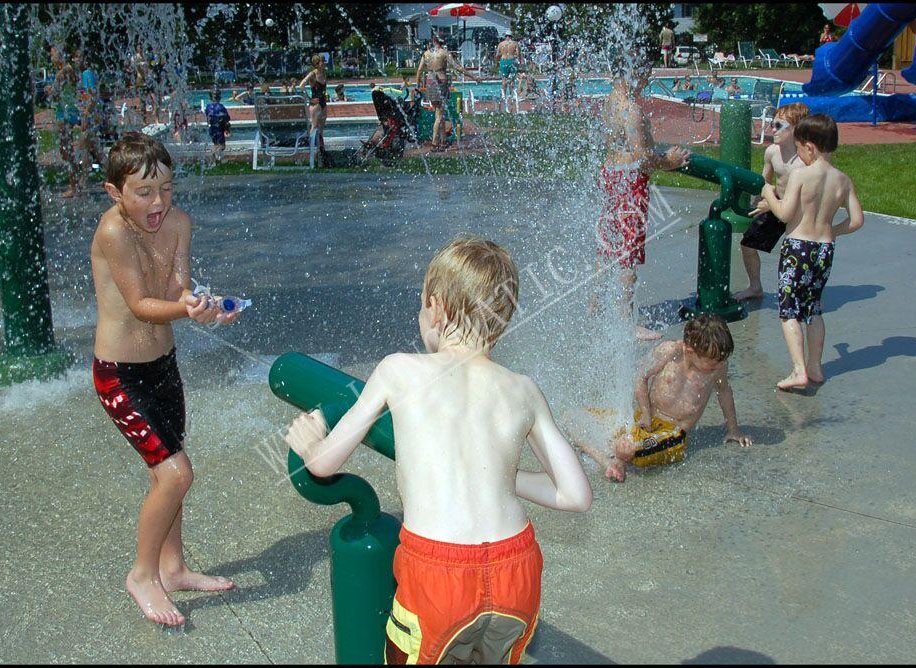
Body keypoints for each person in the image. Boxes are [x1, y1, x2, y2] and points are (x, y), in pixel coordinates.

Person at [285, 237, 592, 665]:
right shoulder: (523, 389)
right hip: (515, 569)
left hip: (438, 571)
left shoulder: (398, 370)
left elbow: (325, 464)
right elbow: (576, 496)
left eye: (421, 304)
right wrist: (499, 476)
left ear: (437, 305)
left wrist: (310, 438)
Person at [91, 132, 241, 626]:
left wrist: (207, 308)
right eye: (144, 193)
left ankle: (173, 568)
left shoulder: (178, 223)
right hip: (119, 377)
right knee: (177, 473)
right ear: (116, 193)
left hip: (163, 367)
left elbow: (178, 289)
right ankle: (142, 574)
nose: (159, 203)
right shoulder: (113, 232)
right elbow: (140, 305)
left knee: (167, 475)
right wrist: (184, 307)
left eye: (168, 189)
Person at [569, 315, 752, 482]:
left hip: (672, 433)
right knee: (572, 417)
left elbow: (724, 392)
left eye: (721, 359)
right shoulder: (670, 351)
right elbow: (641, 377)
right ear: (689, 350)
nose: (719, 363)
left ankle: (615, 455)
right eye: (713, 360)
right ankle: (607, 461)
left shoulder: (718, 367)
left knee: (627, 448)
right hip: (644, 420)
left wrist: (733, 429)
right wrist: (646, 414)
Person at [758, 114, 864, 391]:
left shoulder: (801, 175)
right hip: (825, 249)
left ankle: (798, 370)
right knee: (813, 308)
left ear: (810, 147)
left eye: (801, 147)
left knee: (789, 311)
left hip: (798, 247)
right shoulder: (843, 180)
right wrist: (831, 231)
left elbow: (784, 214)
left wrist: (768, 193)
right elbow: (856, 221)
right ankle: (816, 367)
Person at [594, 56, 690, 341]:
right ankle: (626, 321)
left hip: (610, 174)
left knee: (608, 244)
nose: (647, 82)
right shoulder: (632, 110)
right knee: (627, 252)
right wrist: (669, 161)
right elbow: (642, 158)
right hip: (628, 182)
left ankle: (597, 304)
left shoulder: (611, 101)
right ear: (634, 74)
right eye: (645, 76)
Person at [735, 102, 810, 301]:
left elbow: (808, 197)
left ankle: (800, 289)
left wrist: (772, 203)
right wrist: (758, 203)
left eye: (778, 125)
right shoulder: (772, 153)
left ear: (797, 129)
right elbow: (765, 182)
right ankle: (755, 287)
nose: (772, 129)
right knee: (748, 244)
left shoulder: (806, 160)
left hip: (801, 210)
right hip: (777, 205)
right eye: (772, 123)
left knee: (797, 251)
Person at [415, 34, 479, 151]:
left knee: (439, 112)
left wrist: (418, 85)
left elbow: (419, 70)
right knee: (439, 115)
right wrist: (473, 77)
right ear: (441, 42)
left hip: (429, 82)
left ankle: (443, 141)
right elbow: (457, 67)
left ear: (433, 41)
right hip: (441, 82)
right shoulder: (444, 53)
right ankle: (434, 144)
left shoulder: (426, 54)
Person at [47, 46, 82, 198]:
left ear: (60, 55)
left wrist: (49, 90)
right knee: (66, 150)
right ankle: (76, 178)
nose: (50, 57)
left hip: (65, 113)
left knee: (66, 150)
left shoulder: (63, 72)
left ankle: (73, 186)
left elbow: (54, 93)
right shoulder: (68, 70)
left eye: (52, 54)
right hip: (68, 110)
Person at [299, 54, 330, 163]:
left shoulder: (324, 73)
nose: (324, 62)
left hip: (323, 103)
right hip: (315, 104)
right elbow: (301, 85)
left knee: (321, 129)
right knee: (314, 127)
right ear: (317, 63)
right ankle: (311, 152)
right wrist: (309, 99)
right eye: (323, 61)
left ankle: (321, 151)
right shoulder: (312, 74)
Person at [204, 89, 231, 163]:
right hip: (219, 128)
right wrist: (227, 128)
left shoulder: (208, 107)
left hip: (212, 128)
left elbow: (208, 117)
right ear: (220, 97)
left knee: (216, 144)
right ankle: (214, 156)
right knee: (222, 145)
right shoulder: (221, 107)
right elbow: (226, 118)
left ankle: (217, 158)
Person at [496, 31, 521, 100]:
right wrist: (519, 62)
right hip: (512, 60)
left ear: (505, 36)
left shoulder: (501, 44)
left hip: (503, 61)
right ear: (511, 36)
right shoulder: (515, 43)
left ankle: (504, 95)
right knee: (512, 79)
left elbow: (497, 55)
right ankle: (511, 94)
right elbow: (518, 54)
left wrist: (497, 63)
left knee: (504, 79)